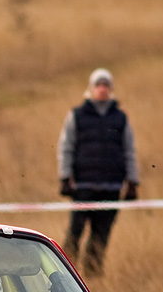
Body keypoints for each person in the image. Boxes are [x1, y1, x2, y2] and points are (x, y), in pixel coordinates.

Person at [57, 68, 139, 276]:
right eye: (98, 85)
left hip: (111, 186)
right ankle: (65, 274)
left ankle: (93, 275)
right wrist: (65, 177)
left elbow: (129, 150)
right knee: (75, 233)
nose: (102, 89)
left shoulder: (120, 118)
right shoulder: (77, 115)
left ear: (111, 89)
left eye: (106, 85)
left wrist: (132, 182)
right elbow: (66, 147)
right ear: (91, 88)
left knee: (101, 234)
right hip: (83, 186)